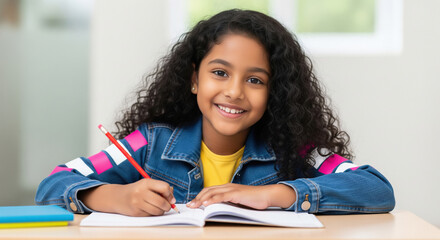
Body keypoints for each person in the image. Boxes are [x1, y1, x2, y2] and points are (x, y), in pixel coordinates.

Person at [35, 9, 395, 217]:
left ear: (276, 92)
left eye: (255, 79)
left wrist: (276, 194)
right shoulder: (147, 142)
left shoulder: (295, 149)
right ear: (194, 79)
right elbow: (54, 183)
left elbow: (376, 188)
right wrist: (116, 197)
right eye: (219, 73)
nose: (234, 92)